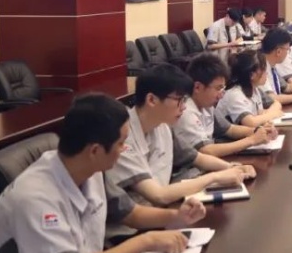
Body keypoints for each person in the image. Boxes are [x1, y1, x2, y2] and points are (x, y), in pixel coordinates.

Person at [0, 94, 205, 253]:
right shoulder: (34, 197)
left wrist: (177, 216)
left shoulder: (88, 169)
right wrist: (146, 241)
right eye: (121, 143)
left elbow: (130, 213)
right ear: (95, 150)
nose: (125, 149)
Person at [107, 64, 255, 206]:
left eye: (184, 100)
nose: (184, 107)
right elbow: (158, 195)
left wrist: (231, 167)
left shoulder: (163, 125)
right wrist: (216, 177)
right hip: (139, 218)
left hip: (163, 208)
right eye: (179, 100)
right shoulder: (120, 138)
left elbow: (196, 157)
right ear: (152, 100)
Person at [174, 53, 279, 158]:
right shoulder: (185, 111)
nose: (221, 95)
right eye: (218, 88)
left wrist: (258, 130)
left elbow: (230, 129)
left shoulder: (207, 105)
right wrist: (252, 140)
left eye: (222, 88)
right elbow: (206, 151)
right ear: (198, 87)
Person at [215, 51, 285, 131]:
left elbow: (276, 103)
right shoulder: (235, 94)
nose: (267, 73)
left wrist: (265, 114)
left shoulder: (255, 89)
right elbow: (251, 123)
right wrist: (272, 114)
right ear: (252, 75)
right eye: (263, 70)